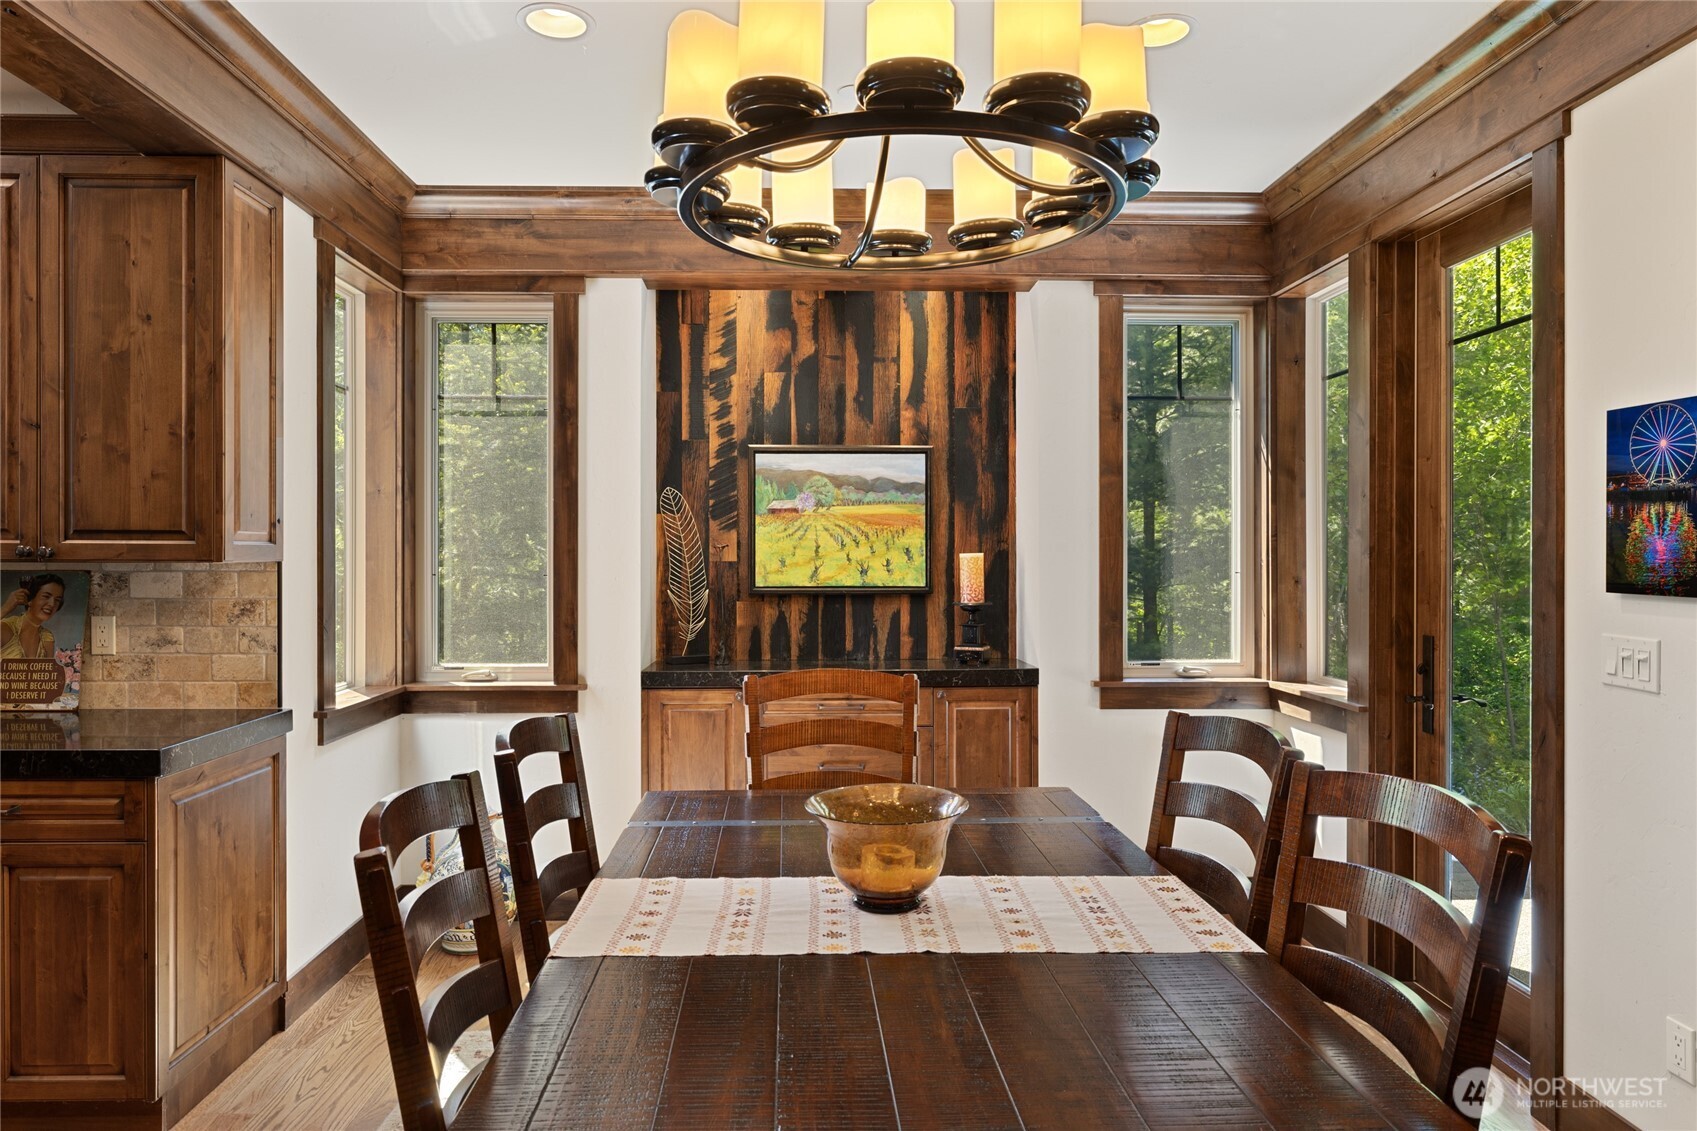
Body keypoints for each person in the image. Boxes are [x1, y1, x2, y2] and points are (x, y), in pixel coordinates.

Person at [1, 573, 66, 660]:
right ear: (30, 599)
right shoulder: (6, 628)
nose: (52, 604)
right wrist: (5, 608)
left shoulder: (47, 637)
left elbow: (48, 673)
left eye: (57, 600)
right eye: (46, 596)